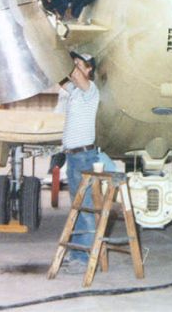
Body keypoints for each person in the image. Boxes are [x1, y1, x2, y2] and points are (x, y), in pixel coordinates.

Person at [59, 52, 102, 270]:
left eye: (79, 64)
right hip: (74, 156)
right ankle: (77, 252)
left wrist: (67, 64)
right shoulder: (75, 92)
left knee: (85, 208)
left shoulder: (90, 91)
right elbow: (59, 77)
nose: (74, 67)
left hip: (84, 157)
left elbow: (73, 75)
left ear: (89, 70)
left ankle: (84, 259)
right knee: (76, 208)